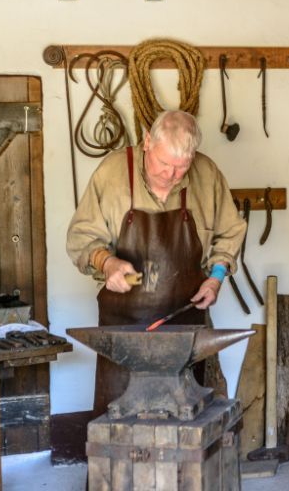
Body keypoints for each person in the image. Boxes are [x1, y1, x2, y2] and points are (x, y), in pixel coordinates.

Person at [67, 109, 246, 416]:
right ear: (148, 142)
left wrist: (216, 277)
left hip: (184, 323)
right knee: (119, 421)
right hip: (122, 326)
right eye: (164, 164)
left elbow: (231, 232)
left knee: (185, 419)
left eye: (181, 167)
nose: (171, 175)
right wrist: (107, 263)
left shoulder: (207, 174)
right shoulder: (112, 173)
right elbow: (81, 238)